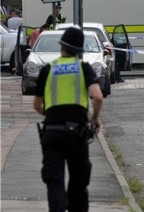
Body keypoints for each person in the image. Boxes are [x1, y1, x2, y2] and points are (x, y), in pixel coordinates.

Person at [33, 27, 104, 212]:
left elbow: (37, 105)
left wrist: (51, 115)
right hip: (77, 132)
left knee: (54, 180)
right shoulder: (84, 68)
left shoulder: (48, 69)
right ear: (80, 50)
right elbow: (97, 97)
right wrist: (94, 120)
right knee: (79, 182)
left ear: (61, 47)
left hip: (52, 132)